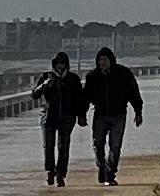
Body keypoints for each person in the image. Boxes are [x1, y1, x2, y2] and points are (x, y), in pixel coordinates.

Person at [84, 47, 144, 184]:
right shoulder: (92, 76)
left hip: (119, 115)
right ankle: (102, 169)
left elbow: (134, 93)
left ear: (111, 60)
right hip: (100, 115)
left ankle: (110, 174)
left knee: (115, 146)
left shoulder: (123, 73)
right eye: (100, 60)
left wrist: (138, 112)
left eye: (104, 59)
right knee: (98, 144)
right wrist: (81, 114)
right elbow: (86, 96)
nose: (102, 62)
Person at [34, 51, 89, 185]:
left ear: (66, 64)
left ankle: (61, 174)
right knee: (48, 145)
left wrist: (81, 115)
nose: (60, 65)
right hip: (48, 116)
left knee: (63, 146)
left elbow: (80, 99)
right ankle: (50, 171)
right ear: (54, 64)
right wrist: (44, 86)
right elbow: (35, 94)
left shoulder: (73, 78)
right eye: (57, 63)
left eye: (63, 63)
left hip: (67, 116)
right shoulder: (46, 77)